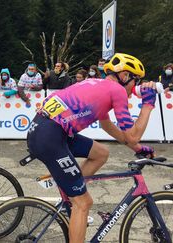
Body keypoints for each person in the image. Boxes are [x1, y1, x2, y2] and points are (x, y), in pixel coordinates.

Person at [27, 53, 158, 242]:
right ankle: (76, 198)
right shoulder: (117, 91)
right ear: (124, 76)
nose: (135, 87)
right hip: (51, 136)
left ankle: (72, 192)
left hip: (47, 131)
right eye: (135, 80)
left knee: (101, 153)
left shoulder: (97, 84)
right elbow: (132, 134)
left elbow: (108, 127)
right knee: (84, 202)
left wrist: (137, 148)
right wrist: (147, 105)